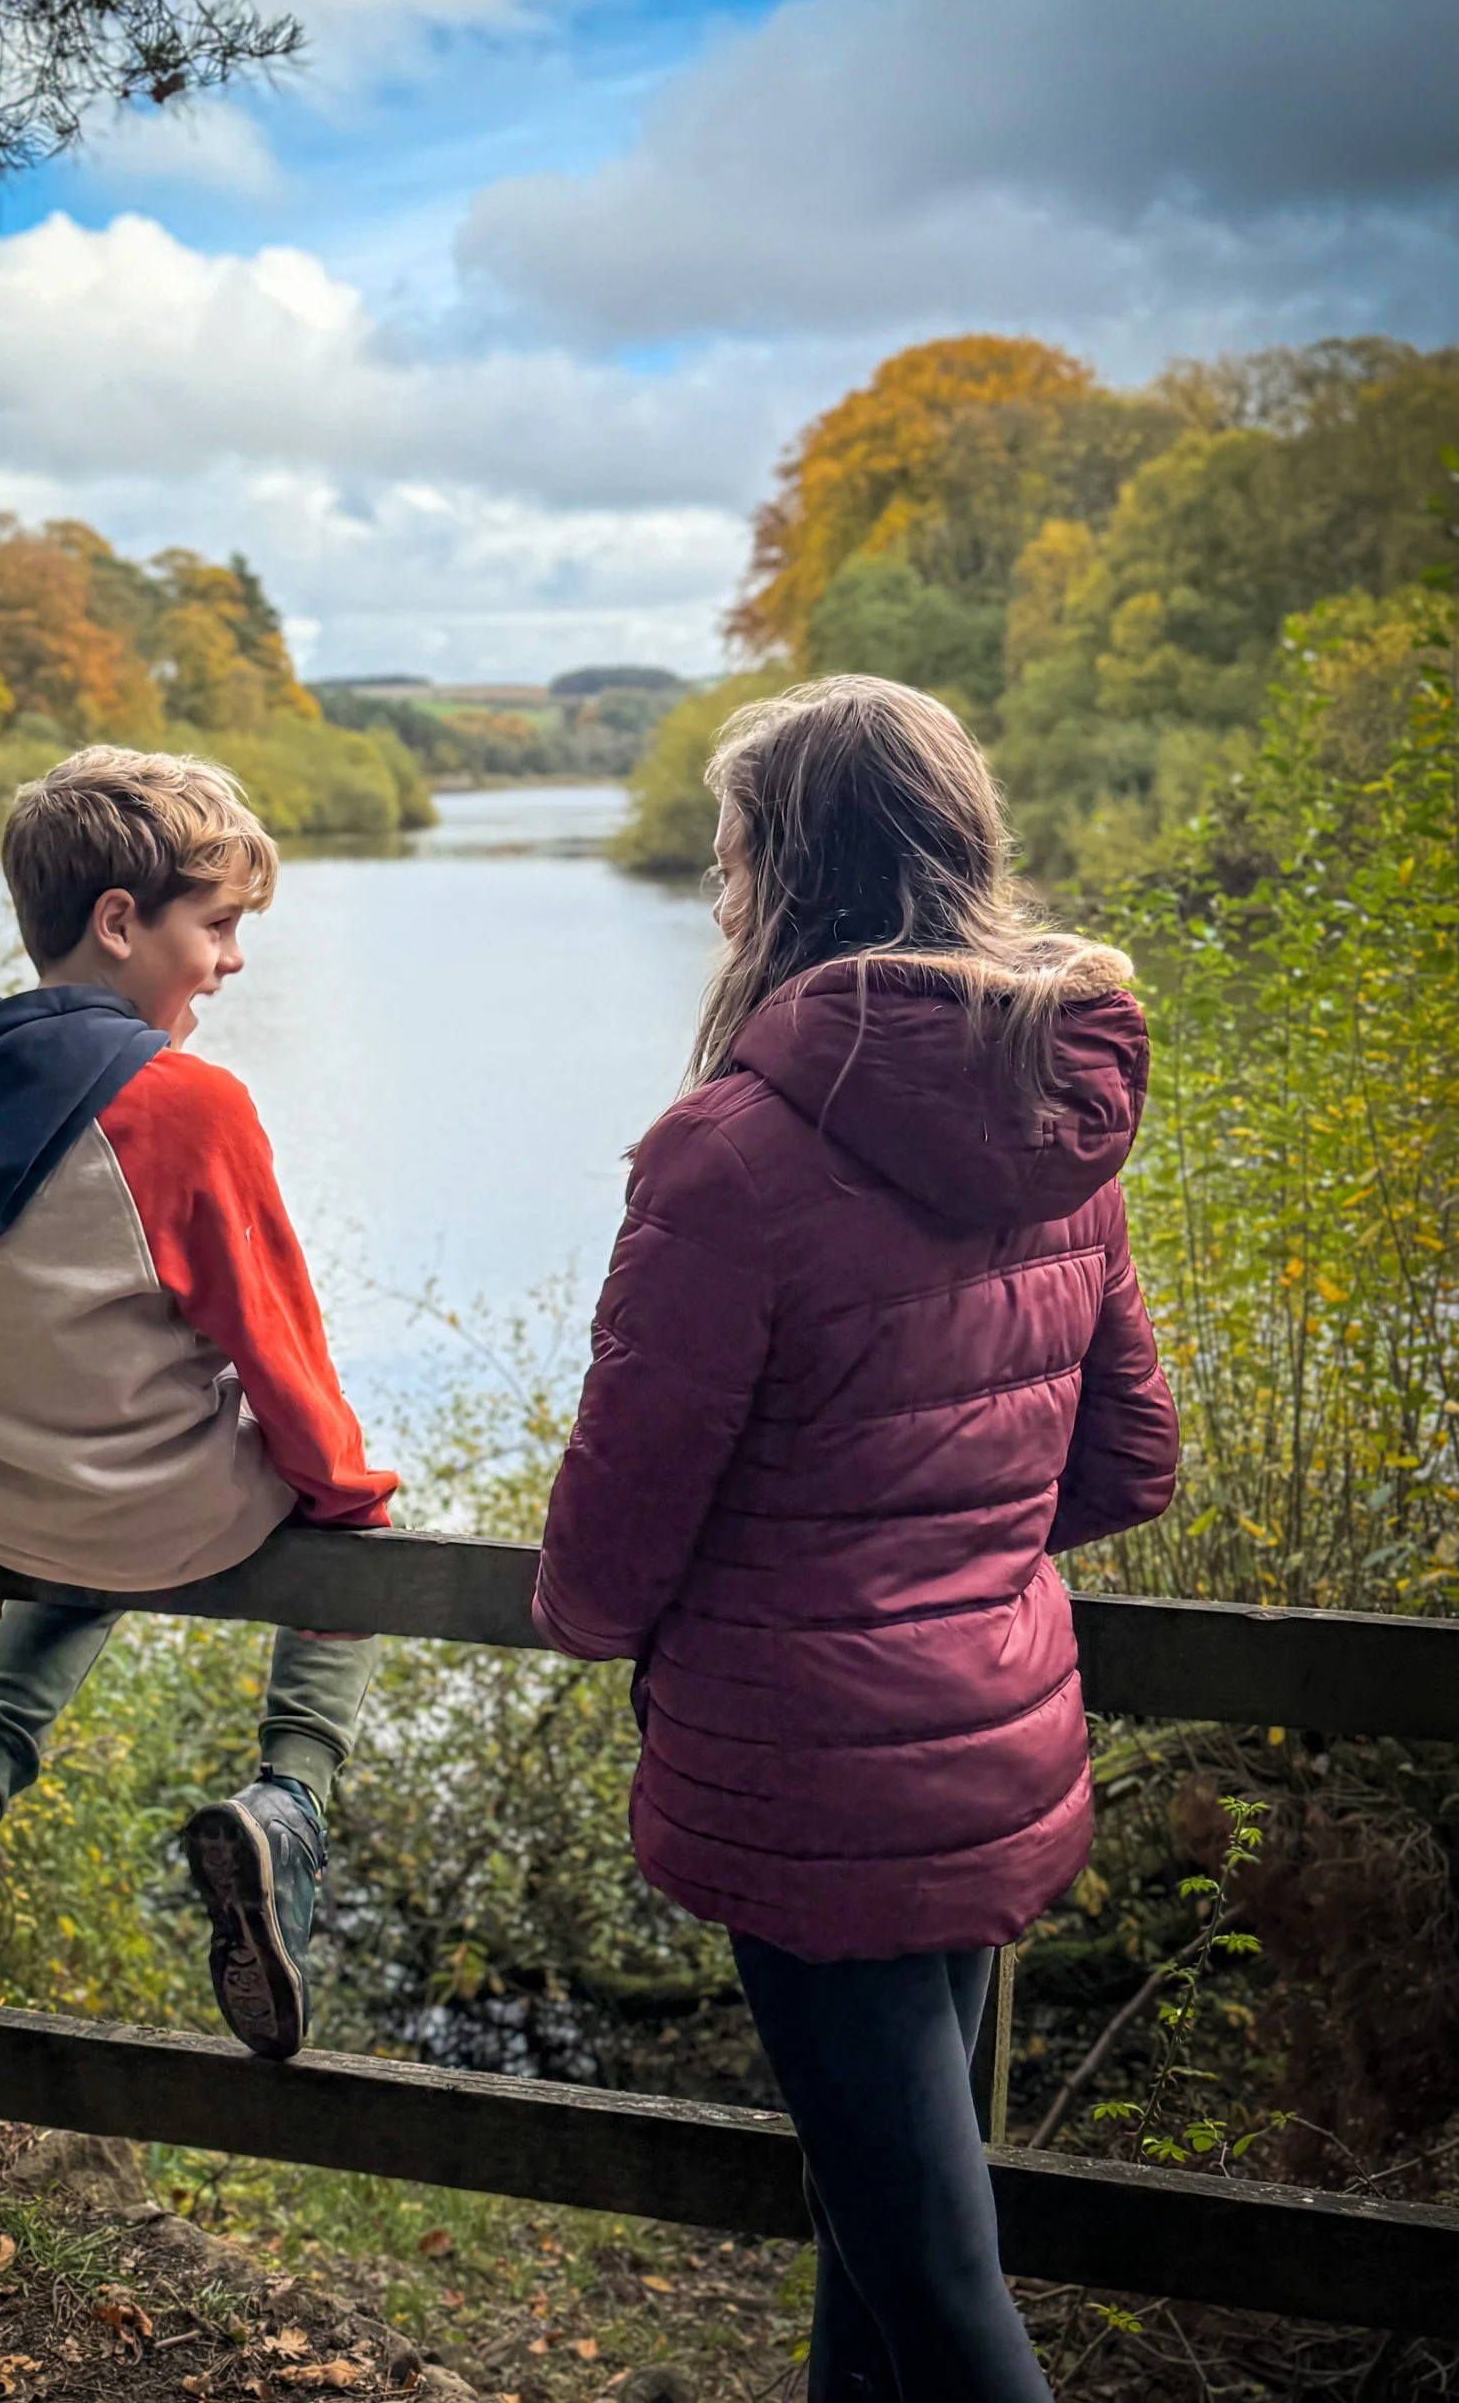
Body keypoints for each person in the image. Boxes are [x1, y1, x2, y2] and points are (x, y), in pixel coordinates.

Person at [532, 679, 1179, 2402]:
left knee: (943, 2288)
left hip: (811, 1776)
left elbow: (620, 1518)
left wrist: (610, 1616)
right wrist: (947, 1556)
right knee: (886, 2230)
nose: (720, 890)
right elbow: (1130, 1457)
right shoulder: (1064, 1120)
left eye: (734, 852)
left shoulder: (728, 1153)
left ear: (791, 872)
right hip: (992, 1732)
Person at [0, 745, 394, 2060]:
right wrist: (346, 1504)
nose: (231, 962)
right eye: (216, 927)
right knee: (357, 1533)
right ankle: (286, 1808)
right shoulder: (184, 1106)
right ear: (118, 923)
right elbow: (279, 1351)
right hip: (141, 1510)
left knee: (84, 1515)